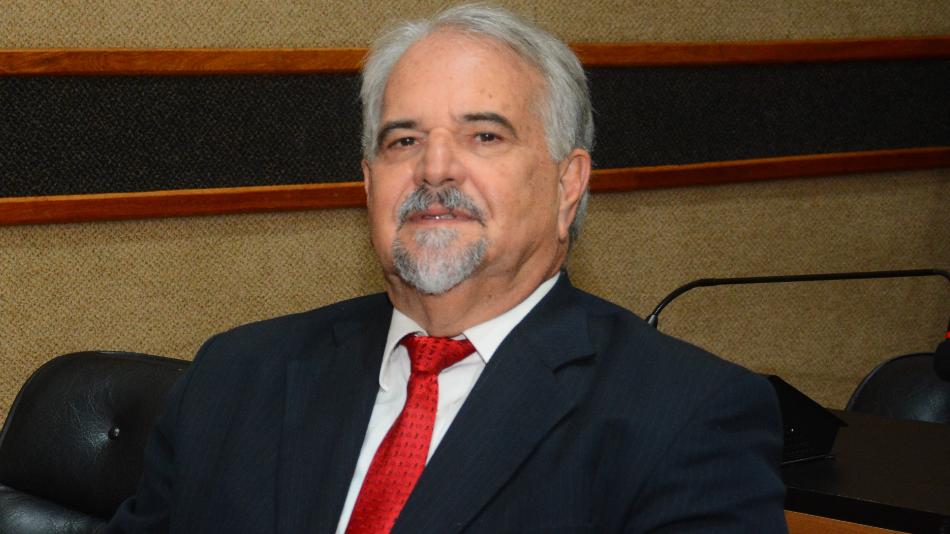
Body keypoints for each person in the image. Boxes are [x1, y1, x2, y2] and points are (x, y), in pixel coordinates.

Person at [108, 4, 786, 533]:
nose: (434, 168)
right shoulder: (233, 377)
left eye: (484, 135)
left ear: (568, 185)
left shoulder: (686, 418)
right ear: (369, 186)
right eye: (404, 140)